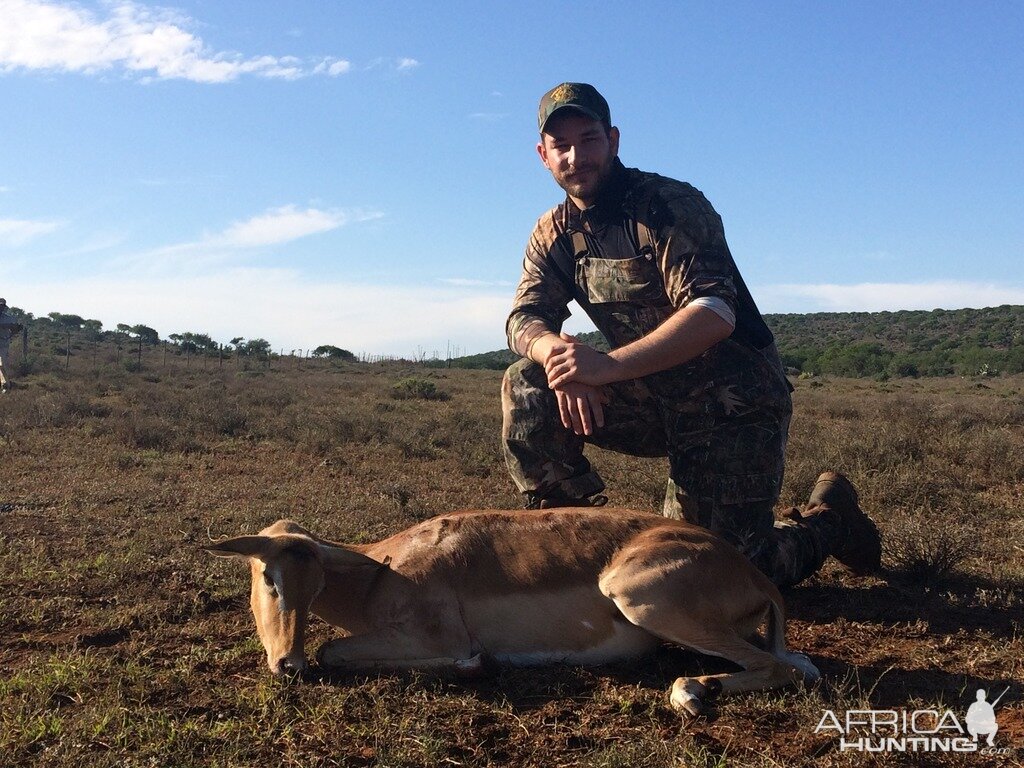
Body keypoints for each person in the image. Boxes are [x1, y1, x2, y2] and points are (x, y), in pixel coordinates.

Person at [501, 82, 881, 588]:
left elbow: (714, 311)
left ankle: (830, 521)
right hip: (651, 397)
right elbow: (523, 316)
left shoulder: (668, 205)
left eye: (588, 139)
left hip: (732, 406)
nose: (576, 156)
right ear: (542, 155)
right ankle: (573, 555)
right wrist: (559, 358)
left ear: (613, 140)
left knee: (714, 578)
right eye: (561, 146)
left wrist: (607, 366)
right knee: (528, 381)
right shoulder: (554, 231)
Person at [0, 298, 24, 393]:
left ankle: (6, 385)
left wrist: (16, 328)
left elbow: (15, 329)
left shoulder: (9, 318)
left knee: (1, 364)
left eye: (2, 306)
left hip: (3, 343)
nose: (0, 307)